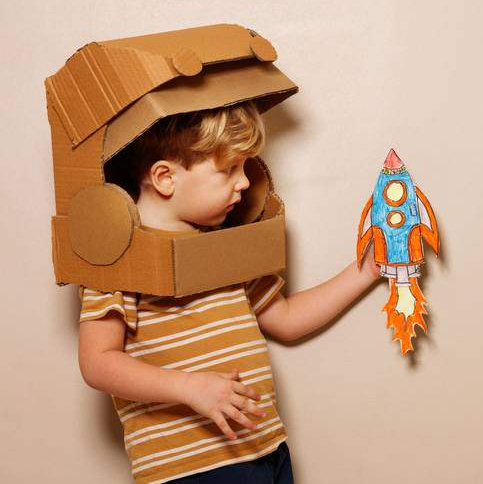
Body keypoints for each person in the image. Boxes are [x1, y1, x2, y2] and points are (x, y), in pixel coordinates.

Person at [78, 100, 379, 484]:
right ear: (166, 178)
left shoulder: (226, 249)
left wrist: (367, 270)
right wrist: (188, 387)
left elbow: (285, 319)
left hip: (266, 448)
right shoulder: (120, 258)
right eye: (229, 169)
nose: (245, 182)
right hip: (190, 467)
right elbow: (97, 361)